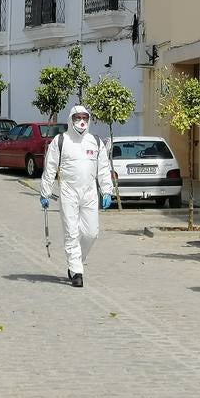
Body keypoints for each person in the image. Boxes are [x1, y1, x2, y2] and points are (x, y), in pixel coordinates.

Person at [39, 105, 113, 288]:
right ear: (71, 119)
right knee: (71, 232)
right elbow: (50, 168)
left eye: (85, 118)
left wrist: (107, 190)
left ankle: (77, 260)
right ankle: (76, 271)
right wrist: (45, 191)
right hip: (68, 192)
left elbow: (103, 169)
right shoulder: (61, 141)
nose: (81, 121)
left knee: (91, 233)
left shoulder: (95, 142)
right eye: (77, 118)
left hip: (89, 193)